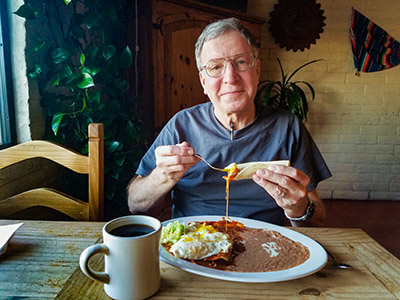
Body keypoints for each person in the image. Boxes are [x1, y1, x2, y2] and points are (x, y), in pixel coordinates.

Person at [127, 18, 331, 227]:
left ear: (257, 70)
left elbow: (318, 220)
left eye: (241, 62)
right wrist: (160, 177)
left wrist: (298, 209)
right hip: (191, 244)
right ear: (203, 82)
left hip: (265, 246)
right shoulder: (181, 125)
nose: (230, 77)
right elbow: (135, 204)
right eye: (216, 67)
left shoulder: (288, 127)